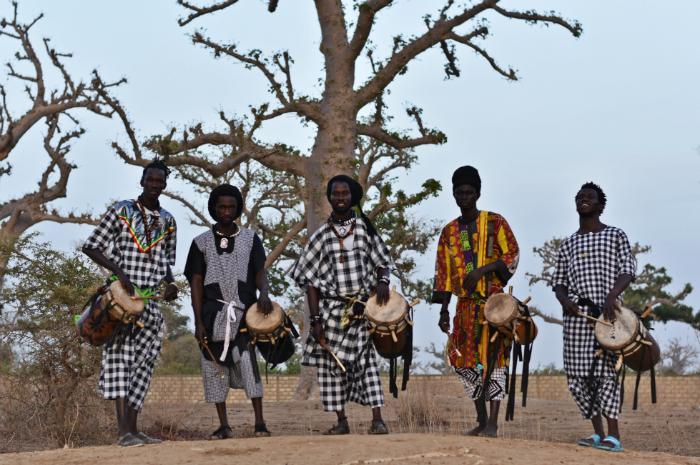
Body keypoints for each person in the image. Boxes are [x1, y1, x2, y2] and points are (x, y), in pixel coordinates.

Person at [82, 160, 178, 447]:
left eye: (160, 181)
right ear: (142, 181)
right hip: (120, 303)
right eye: (150, 180)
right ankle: (123, 432)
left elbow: (165, 262)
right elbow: (91, 246)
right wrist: (119, 273)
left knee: (144, 365)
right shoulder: (121, 210)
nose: (155, 185)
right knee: (120, 361)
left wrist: (171, 283)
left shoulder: (169, 220)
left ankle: (135, 431)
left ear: (164, 185)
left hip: (150, 304)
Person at [292, 175, 392, 435]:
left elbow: (383, 261)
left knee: (367, 362)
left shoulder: (364, 228)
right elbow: (310, 282)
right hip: (330, 311)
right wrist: (315, 321)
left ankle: (377, 420)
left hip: (362, 308)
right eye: (335, 194)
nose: (339, 198)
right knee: (330, 366)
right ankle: (341, 421)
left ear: (352, 197)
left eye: (344, 194)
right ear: (329, 197)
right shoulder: (321, 236)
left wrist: (382, 281)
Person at [431, 165, 519, 437]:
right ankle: (481, 419)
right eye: (460, 192)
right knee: (464, 364)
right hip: (465, 308)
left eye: (469, 192)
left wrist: (483, 270)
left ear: (478, 193)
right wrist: (444, 309)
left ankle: (492, 424)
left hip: (495, 306)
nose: (464, 196)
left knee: (495, 362)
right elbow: (443, 272)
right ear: (454, 195)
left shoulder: (495, 222)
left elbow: (512, 255)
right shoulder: (448, 232)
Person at [184, 184, 273, 439]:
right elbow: (196, 283)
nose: (226, 211)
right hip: (213, 315)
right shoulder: (200, 243)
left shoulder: (250, 238)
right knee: (213, 367)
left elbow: (259, 271)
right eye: (222, 207)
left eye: (231, 207)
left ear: (237, 209)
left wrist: (264, 293)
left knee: (248, 364)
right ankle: (224, 425)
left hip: (244, 312)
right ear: (214, 208)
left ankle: (259, 423)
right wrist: (198, 321)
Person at [553, 182, 636, 453]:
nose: (584, 199)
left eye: (590, 197)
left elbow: (628, 268)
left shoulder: (615, 235)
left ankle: (614, 435)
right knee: (577, 376)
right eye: (579, 196)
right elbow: (559, 282)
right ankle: (597, 433)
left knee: (603, 374)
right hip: (577, 318)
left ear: (601, 205)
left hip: (608, 316)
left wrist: (613, 295)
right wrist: (566, 302)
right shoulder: (568, 244)